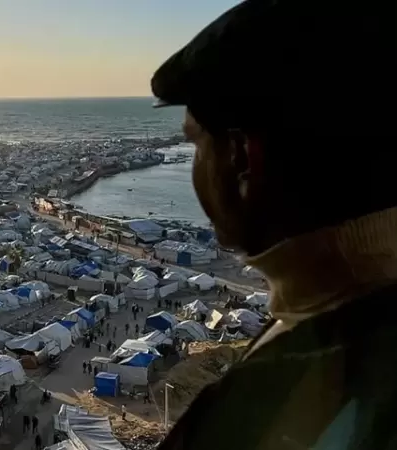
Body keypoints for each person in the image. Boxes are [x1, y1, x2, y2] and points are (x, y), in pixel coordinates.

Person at [150, 1, 397, 449]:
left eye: (197, 145)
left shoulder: (283, 391)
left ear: (242, 157)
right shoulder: (345, 321)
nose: (197, 167)